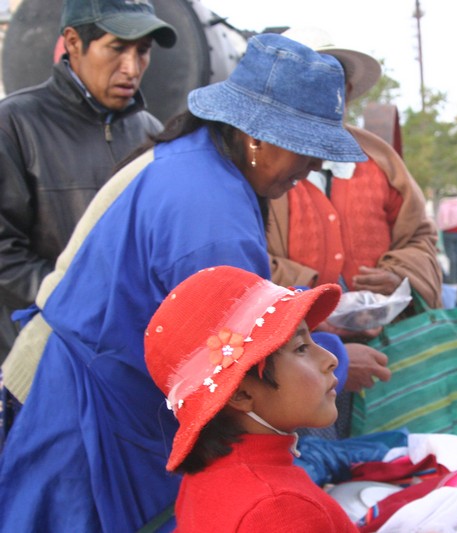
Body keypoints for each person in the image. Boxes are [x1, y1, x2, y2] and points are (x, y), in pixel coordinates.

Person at [0, 33, 375, 532]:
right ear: (256, 137)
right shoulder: (210, 217)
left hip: (89, 386)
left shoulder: (199, 160)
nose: (314, 167)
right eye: (306, 148)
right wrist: (339, 361)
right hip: (84, 415)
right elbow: (238, 365)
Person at [0, 0, 177, 363]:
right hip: (42, 357)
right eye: (117, 48)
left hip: (125, 357)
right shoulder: (14, 124)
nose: (132, 67)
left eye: (142, 51)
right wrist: (84, 302)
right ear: (73, 42)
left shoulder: (151, 134)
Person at [144, 266, 357, 532]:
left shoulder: (208, 475)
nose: (331, 359)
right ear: (241, 393)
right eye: (301, 348)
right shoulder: (279, 509)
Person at [268, 27, 442, 313]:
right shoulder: (259, 166)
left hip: (387, 341)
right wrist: (308, 290)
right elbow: (242, 259)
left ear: (346, 91)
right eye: (307, 83)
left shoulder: (381, 162)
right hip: (297, 345)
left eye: (332, 82)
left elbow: (419, 237)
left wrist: (398, 276)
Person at [436, 191, 457, 284]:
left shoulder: (445, 205)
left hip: (448, 232)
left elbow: (443, 219)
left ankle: (453, 278)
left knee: (451, 255)